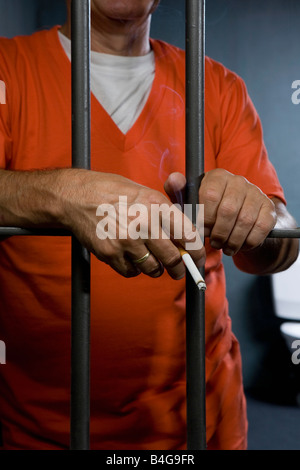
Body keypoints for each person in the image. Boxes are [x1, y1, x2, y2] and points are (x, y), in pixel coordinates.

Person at [0, 0, 298, 450]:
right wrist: (63, 195)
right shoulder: (8, 68)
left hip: (199, 421)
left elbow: (282, 247)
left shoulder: (217, 86)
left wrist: (258, 216)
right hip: (39, 427)